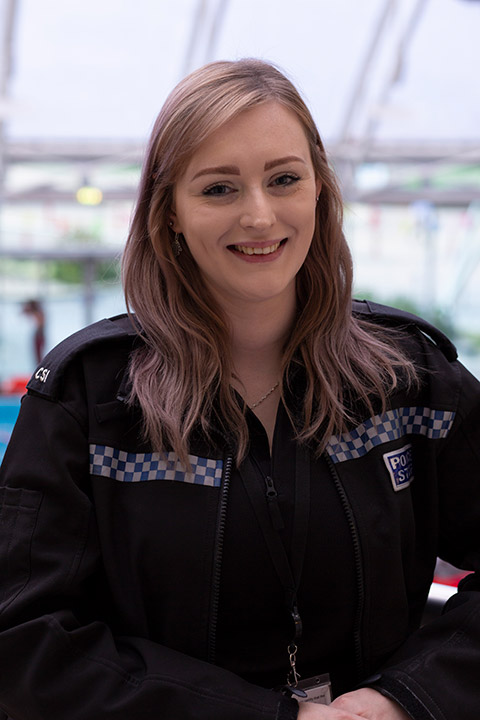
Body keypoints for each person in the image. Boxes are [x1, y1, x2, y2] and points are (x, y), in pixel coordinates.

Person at [0, 59, 479, 720]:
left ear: (318, 189)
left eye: (284, 179)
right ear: (168, 211)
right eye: (219, 189)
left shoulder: (409, 383)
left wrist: (401, 700)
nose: (259, 215)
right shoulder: (89, 402)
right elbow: (22, 638)